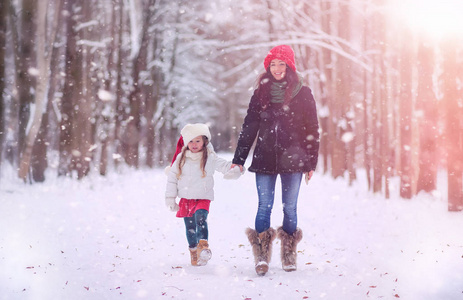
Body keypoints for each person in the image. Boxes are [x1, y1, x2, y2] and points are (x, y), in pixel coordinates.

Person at [231, 45, 319, 275]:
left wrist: (311, 162)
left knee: (290, 207)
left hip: (294, 159)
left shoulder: (303, 93)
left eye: (282, 64)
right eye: (273, 64)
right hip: (265, 157)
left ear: (289, 66)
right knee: (264, 206)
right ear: (268, 67)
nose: (277, 68)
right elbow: (249, 126)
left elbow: (312, 129)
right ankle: (261, 257)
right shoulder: (260, 93)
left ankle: (289, 254)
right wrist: (239, 158)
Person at [165, 123, 244, 266]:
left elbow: (224, 165)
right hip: (186, 198)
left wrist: (234, 169)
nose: (194, 144)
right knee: (190, 227)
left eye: (198, 141)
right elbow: (172, 179)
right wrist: (170, 198)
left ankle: (203, 246)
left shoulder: (210, 157)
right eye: (191, 141)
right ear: (186, 142)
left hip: (203, 196)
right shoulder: (181, 159)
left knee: (201, 218)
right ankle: (193, 250)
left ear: (204, 141)